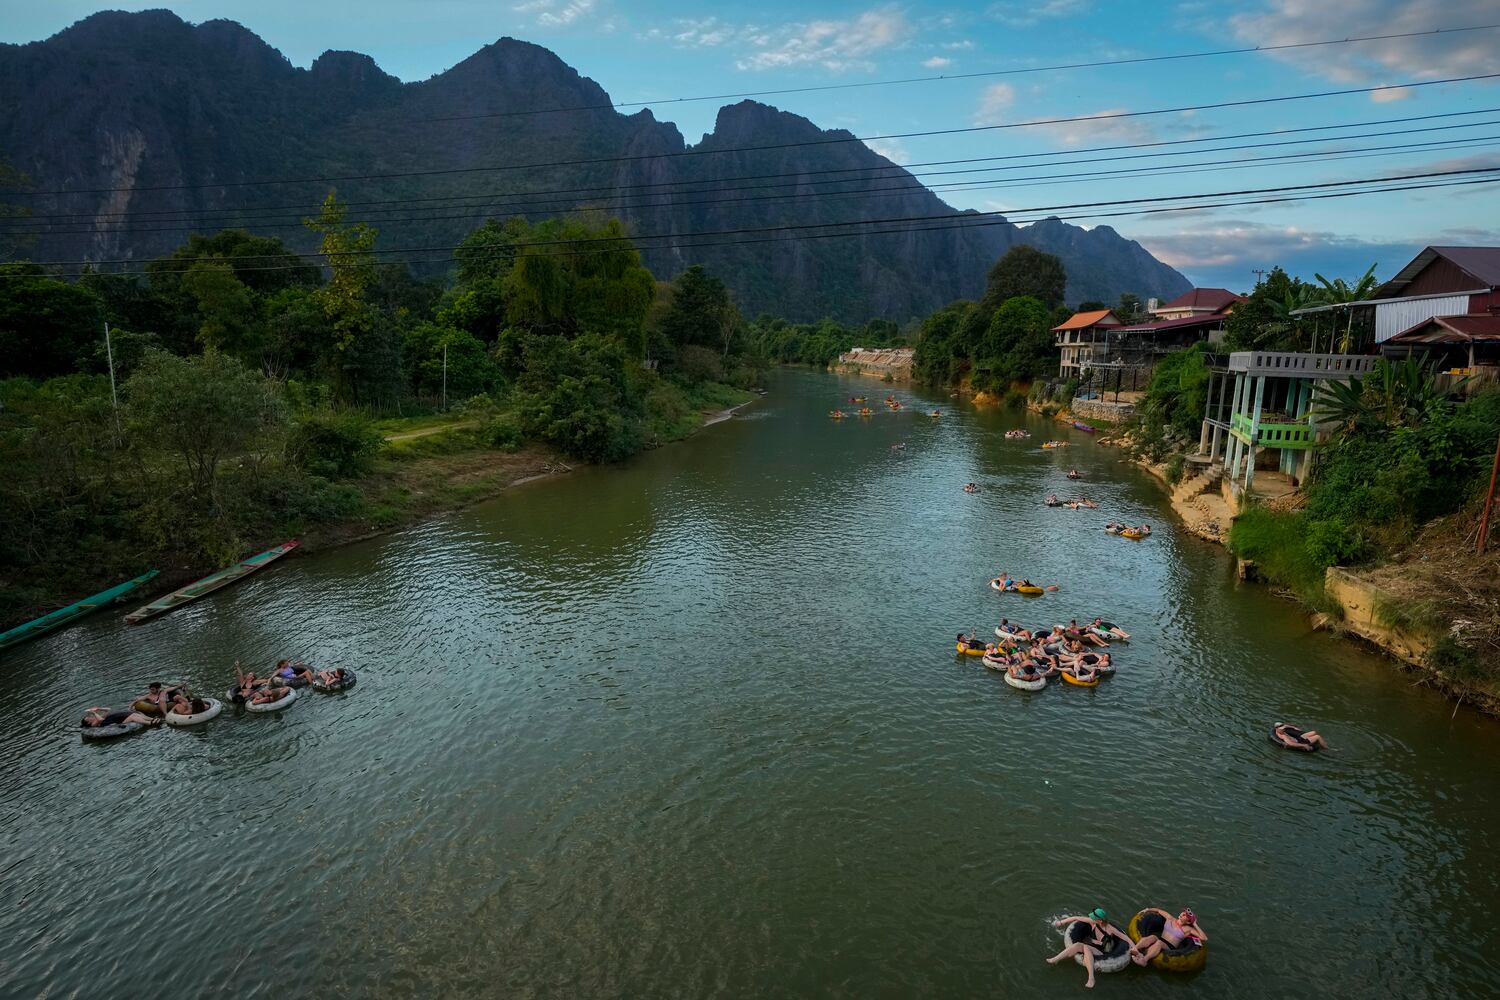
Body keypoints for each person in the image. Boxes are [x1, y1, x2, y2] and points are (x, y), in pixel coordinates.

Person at [1047, 909, 1137, 989]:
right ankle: (1055, 959)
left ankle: (1091, 978)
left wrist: (1136, 949)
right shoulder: (1093, 922)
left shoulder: (1110, 929)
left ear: (1100, 920)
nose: (1092, 919)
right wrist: (1062, 922)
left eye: (1094, 918)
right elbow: (1076, 918)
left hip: (1102, 953)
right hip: (1093, 946)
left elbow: (1126, 938)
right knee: (1078, 945)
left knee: (1085, 947)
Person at [1131, 909, 1206, 966]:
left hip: (1170, 947)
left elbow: (1204, 938)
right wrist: (1146, 909)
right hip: (1161, 939)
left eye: (1185, 915)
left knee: (1159, 943)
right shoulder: (1170, 918)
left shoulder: (1188, 929)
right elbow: (1158, 910)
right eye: (1183, 912)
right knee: (1153, 937)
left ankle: (1144, 960)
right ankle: (1135, 949)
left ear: (1189, 921)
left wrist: (1195, 924)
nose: (1183, 913)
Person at [81, 706, 159, 728]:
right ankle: (149, 723)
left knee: (135, 714)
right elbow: (100, 719)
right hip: (117, 723)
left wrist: (99, 709)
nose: (90, 717)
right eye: (88, 718)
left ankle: (153, 719)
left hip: (117, 719)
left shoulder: (96, 717)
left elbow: (109, 710)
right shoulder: (93, 724)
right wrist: (94, 712)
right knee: (133, 717)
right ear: (88, 722)